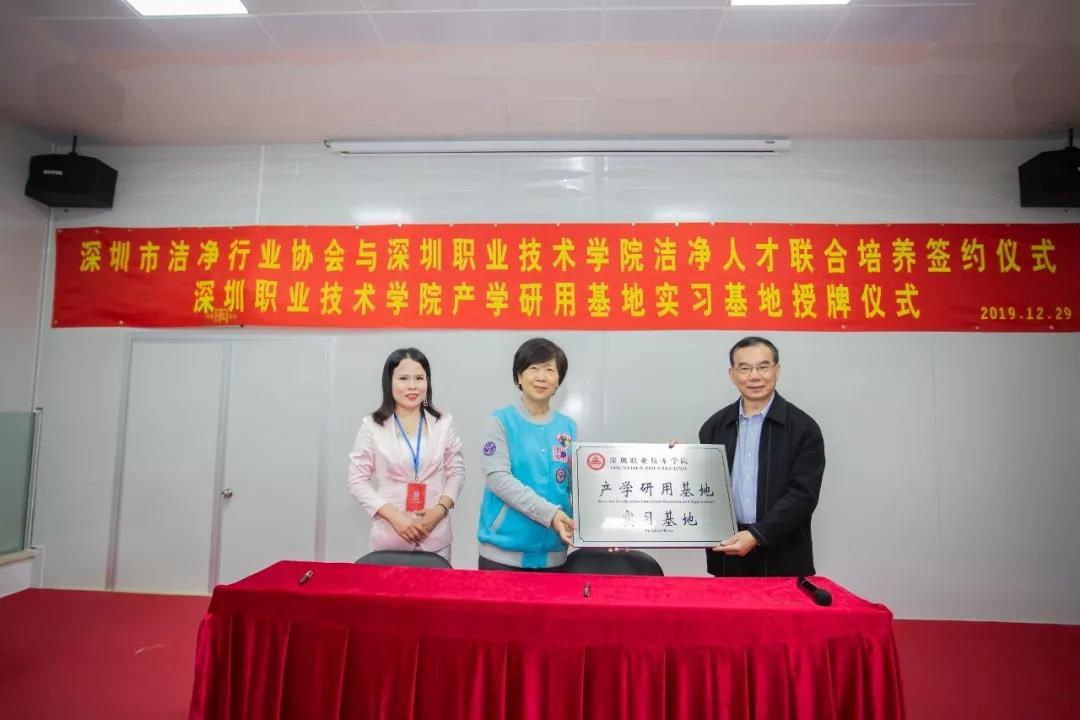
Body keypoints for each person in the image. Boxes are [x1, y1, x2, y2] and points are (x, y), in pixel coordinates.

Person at [699, 336, 825, 577]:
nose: (754, 376)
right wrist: (677, 461)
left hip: (784, 556)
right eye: (745, 368)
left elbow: (803, 495)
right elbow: (703, 490)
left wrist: (757, 535)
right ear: (732, 374)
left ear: (777, 370)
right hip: (728, 554)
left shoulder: (803, 428)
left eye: (763, 367)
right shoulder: (714, 427)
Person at [348, 348, 465, 562]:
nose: (412, 386)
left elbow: (456, 472)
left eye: (419, 378)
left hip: (436, 537)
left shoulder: (443, 422)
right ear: (389, 382)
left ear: (428, 382)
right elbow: (357, 481)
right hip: (390, 538)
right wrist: (395, 518)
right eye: (403, 378)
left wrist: (440, 510)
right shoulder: (372, 426)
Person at [477, 338, 576, 571]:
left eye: (549, 370)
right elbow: (498, 479)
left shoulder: (569, 427)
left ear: (558, 380)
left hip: (554, 556)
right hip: (502, 556)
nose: (541, 377)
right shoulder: (500, 422)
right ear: (519, 377)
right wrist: (551, 514)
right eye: (533, 368)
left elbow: (578, 485)